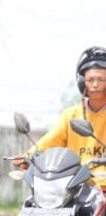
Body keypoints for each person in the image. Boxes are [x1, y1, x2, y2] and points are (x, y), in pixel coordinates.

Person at [13, 46, 106, 186]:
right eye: (90, 79)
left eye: (101, 79)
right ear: (82, 81)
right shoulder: (71, 115)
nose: (95, 84)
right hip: (76, 185)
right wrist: (29, 156)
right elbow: (50, 141)